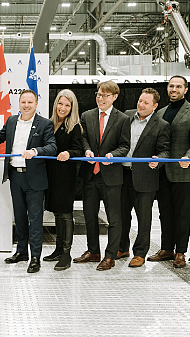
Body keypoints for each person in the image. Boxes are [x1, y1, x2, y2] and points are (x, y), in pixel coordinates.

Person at [0, 89, 57, 273]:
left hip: (35, 179)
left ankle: (35, 257)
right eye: (23, 102)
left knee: (35, 219)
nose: (26, 105)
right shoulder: (11, 120)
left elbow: (52, 147)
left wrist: (35, 152)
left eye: (30, 102)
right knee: (19, 217)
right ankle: (21, 252)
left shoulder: (45, 124)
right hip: (14, 176)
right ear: (19, 103)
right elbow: (1, 137)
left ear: (36, 104)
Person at [148, 76, 190, 268]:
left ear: (185, 89)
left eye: (178, 86)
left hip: (185, 173)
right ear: (167, 88)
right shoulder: (161, 112)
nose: (174, 89)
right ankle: (166, 248)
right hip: (163, 172)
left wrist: (189, 157)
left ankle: (180, 252)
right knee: (165, 213)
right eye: (171, 86)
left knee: (182, 214)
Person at [73, 81, 130, 271]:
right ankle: (93, 251)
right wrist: (87, 150)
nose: (100, 98)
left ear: (114, 97)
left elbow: (125, 146)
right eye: (98, 94)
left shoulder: (122, 119)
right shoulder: (87, 116)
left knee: (114, 219)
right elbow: (83, 139)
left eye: (105, 95)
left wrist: (113, 156)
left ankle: (110, 255)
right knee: (90, 216)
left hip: (111, 177)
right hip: (90, 176)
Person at [119, 88, 170, 268]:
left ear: (155, 106)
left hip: (145, 178)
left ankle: (140, 253)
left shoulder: (161, 125)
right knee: (121, 216)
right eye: (140, 100)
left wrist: (159, 160)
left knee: (144, 219)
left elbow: (165, 150)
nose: (141, 104)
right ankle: (122, 247)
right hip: (123, 174)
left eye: (146, 102)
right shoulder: (126, 116)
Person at [43, 89, 83, 271]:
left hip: (66, 176)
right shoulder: (50, 124)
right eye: (61, 103)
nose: (63, 107)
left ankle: (66, 254)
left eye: (67, 105)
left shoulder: (74, 126)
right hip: (52, 175)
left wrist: (68, 153)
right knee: (58, 214)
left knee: (65, 214)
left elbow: (78, 149)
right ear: (55, 104)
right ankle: (58, 249)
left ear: (72, 107)